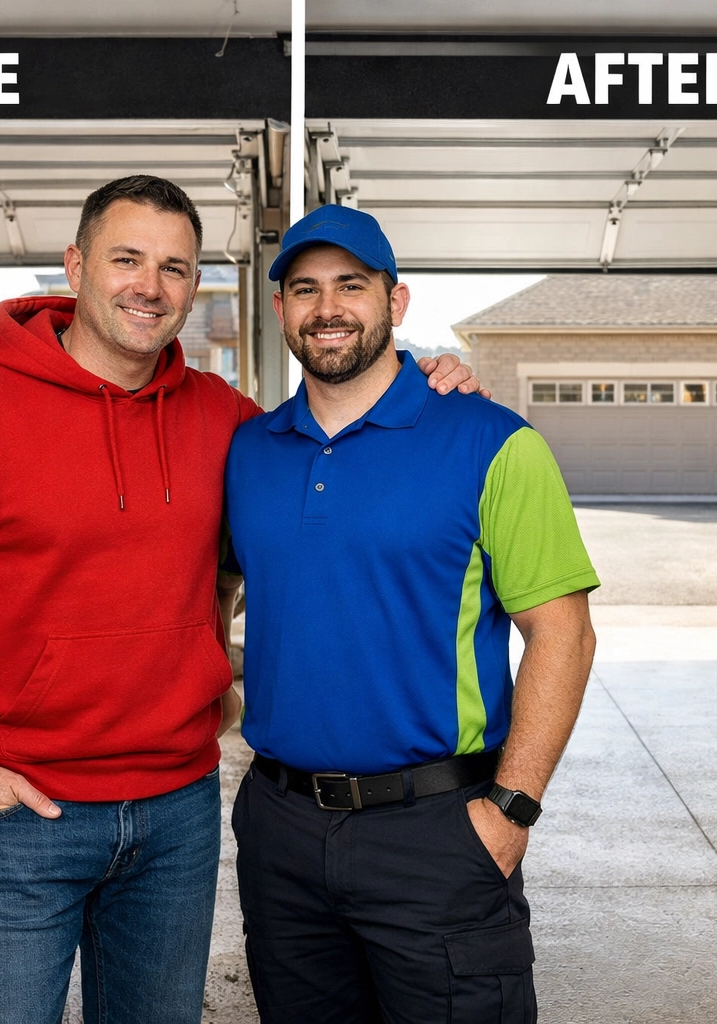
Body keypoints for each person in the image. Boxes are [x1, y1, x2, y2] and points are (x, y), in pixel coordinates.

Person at [0, 176, 484, 1024]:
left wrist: (425, 381)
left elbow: (332, 440)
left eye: (175, 268)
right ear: (76, 266)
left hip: (177, 813)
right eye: (126, 259)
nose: (150, 286)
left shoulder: (224, 421)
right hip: (16, 818)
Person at [223, 204, 601, 1022]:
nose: (328, 307)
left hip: (438, 832)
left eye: (352, 286)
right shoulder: (248, 452)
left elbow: (562, 634)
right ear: (281, 307)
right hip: (281, 832)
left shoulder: (493, 442)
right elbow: (218, 588)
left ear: (395, 303)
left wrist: (510, 812)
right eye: (304, 289)